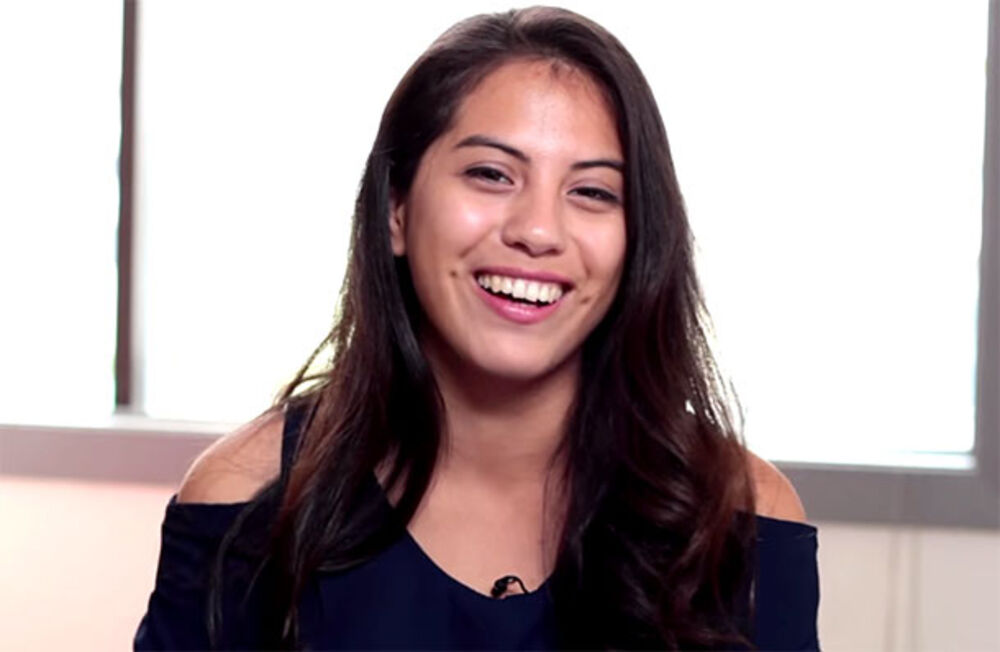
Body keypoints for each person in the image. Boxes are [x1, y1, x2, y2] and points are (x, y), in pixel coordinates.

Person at [135, 6, 819, 650]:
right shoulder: (245, 500)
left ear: (638, 237)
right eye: (491, 175)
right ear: (397, 211)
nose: (538, 231)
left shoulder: (743, 519)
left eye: (592, 192)